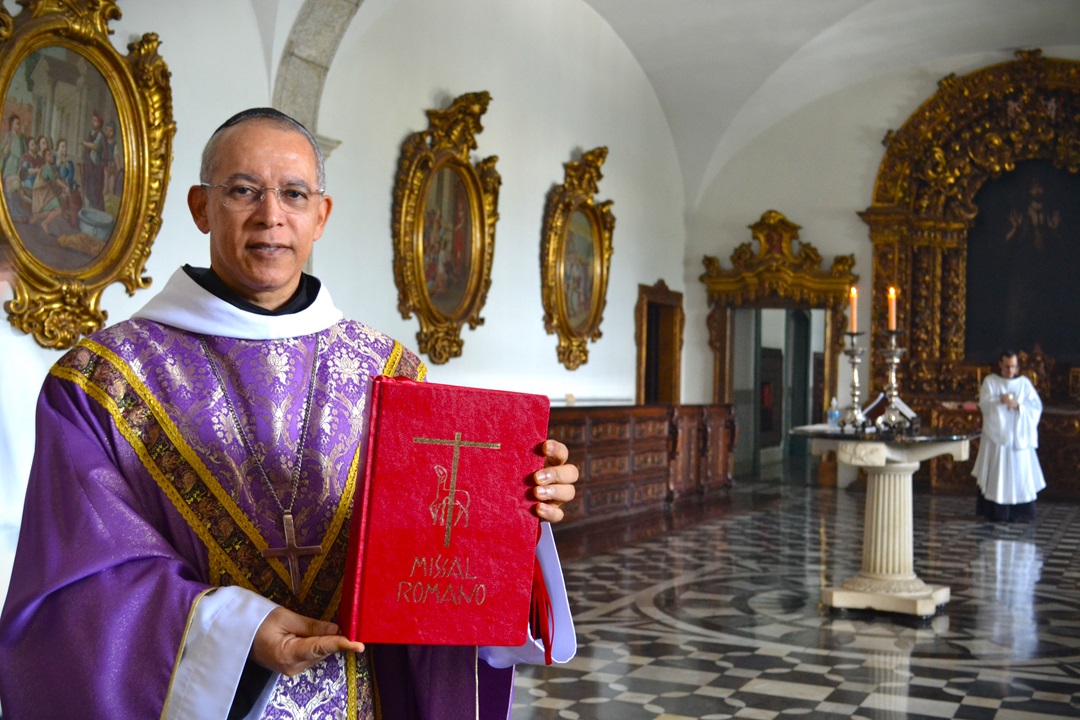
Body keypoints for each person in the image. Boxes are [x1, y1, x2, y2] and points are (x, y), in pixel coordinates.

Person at [0, 108, 579, 719]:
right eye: (243, 190)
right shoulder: (101, 380)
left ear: (320, 215)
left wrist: (518, 507)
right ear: (201, 207)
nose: (270, 215)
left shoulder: (392, 373)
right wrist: (239, 631)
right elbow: (81, 589)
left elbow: (434, 549)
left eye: (294, 193)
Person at [972, 350, 1046, 522]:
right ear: (1000, 364)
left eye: (1013, 367)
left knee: (1020, 474)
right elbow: (984, 406)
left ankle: (1020, 512)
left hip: (1018, 439)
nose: (1010, 370)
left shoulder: (1024, 384)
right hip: (997, 440)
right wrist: (1000, 401)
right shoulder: (990, 382)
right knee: (998, 475)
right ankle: (996, 512)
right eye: (1007, 366)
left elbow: (1036, 407)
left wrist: (1019, 406)